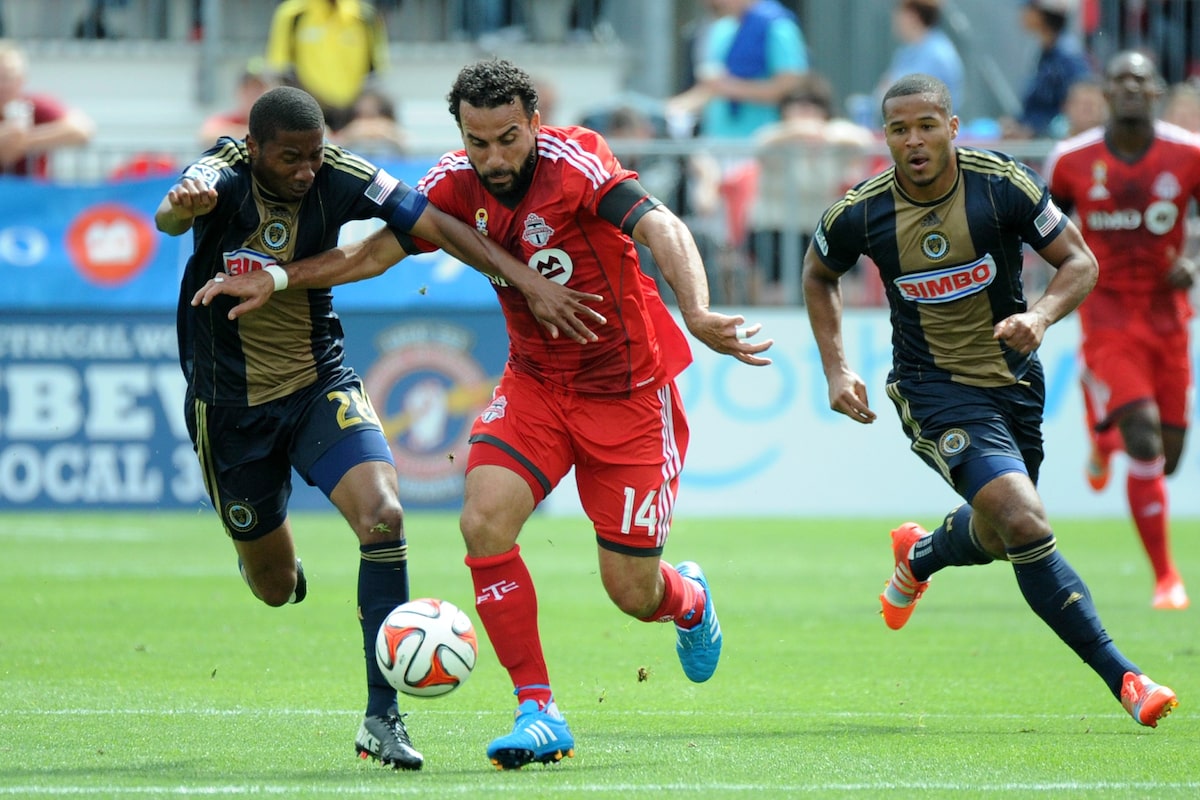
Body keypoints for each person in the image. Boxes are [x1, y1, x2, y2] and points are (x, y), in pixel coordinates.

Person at [192, 58, 774, 770]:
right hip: (535, 384)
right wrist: (279, 276)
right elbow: (372, 255)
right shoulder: (453, 184)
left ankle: (686, 600)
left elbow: (661, 227)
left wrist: (698, 308)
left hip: (628, 393)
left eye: (507, 138)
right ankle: (538, 709)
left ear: (534, 122)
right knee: (482, 519)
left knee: (631, 590)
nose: (493, 158)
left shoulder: (577, 162)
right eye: (477, 141)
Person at [156, 85, 601, 772]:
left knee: (385, 517)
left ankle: (380, 719)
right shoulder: (224, 172)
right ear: (256, 151)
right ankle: (270, 560)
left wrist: (521, 281)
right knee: (272, 585)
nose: (307, 170)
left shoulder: (341, 174)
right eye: (290, 159)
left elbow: (440, 227)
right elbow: (174, 211)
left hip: (317, 387)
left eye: (313, 154)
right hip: (229, 410)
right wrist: (179, 206)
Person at [802, 73, 1178, 728]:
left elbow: (1080, 263)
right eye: (899, 129)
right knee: (1025, 519)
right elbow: (817, 271)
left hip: (1015, 385)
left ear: (952, 126)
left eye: (926, 125)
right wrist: (835, 370)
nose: (913, 140)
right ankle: (1126, 677)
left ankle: (919, 555)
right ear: (885, 136)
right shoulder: (862, 210)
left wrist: (1041, 316)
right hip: (934, 388)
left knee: (1006, 536)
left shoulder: (1000, 183)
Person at [1044, 50, 1198, 610]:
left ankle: (1101, 430)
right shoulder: (1070, 160)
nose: (1132, 86)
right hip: (1106, 317)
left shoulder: (1188, 155)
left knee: (1170, 458)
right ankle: (1166, 578)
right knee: (1145, 440)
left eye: (1142, 78)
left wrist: (1194, 264)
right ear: (1106, 93)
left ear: (1156, 91)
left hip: (1168, 320)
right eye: (1120, 79)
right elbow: (1043, 231)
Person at [750, 72, 876, 304]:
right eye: (797, 107)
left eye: (812, 107)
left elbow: (865, 141)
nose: (804, 115)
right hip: (777, 228)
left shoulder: (834, 139)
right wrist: (798, 131)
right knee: (778, 293)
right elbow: (759, 144)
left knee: (849, 288)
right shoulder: (776, 137)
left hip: (823, 227)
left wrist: (823, 133)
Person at [665, 0, 808, 140]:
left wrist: (731, 87)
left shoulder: (778, 26)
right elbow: (713, 89)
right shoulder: (721, 28)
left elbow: (792, 88)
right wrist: (677, 107)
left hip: (764, 144)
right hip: (718, 143)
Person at [264, 0, 389, 132]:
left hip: (353, 116)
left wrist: (361, 117)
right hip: (305, 113)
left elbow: (375, 73)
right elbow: (280, 71)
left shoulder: (365, 16)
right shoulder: (293, 14)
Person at [0, 40, 94, 178]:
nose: (4, 85)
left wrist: (25, 141)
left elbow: (82, 129)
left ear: (22, 79)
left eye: (8, 77)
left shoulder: (35, 105)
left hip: (33, 194)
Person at [1002, 0, 1094, 139]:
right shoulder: (1046, 52)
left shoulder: (1068, 56)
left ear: (1043, 14)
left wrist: (1034, 131)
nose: (1023, 13)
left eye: (1030, 7)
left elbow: (1079, 111)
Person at [876, 0, 965, 108]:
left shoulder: (937, 55)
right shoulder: (906, 52)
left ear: (912, 16)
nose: (894, 19)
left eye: (899, 13)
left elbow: (907, 99)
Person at [198, 58, 276, 146]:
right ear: (238, 91)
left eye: (259, 89)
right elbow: (207, 134)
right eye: (248, 88)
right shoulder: (228, 120)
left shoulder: (280, 122)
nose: (253, 94)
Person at [332, 86, 407, 155]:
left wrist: (390, 134)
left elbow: (410, 148)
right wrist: (349, 135)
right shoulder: (347, 132)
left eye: (372, 116)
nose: (368, 124)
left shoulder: (394, 132)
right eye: (361, 116)